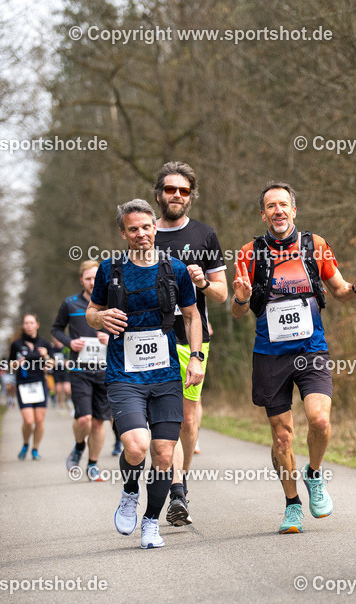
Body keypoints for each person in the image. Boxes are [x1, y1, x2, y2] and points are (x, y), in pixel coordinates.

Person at [232, 181, 356, 534]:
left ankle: (314, 474)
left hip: (311, 349)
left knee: (320, 421)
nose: (278, 210)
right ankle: (292, 504)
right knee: (282, 436)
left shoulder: (316, 246)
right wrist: (239, 299)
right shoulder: (249, 253)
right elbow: (238, 312)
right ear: (263, 213)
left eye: (284, 204)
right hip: (269, 355)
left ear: (294, 210)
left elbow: (340, 291)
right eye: (271, 206)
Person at [86, 198, 205, 549]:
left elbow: (192, 315)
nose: (141, 234)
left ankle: (151, 521)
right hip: (124, 374)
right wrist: (99, 318)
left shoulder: (176, 269)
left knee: (165, 455)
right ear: (123, 232)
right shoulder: (111, 270)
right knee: (136, 448)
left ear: (155, 227)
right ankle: (128, 492)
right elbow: (92, 311)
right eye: (133, 229)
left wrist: (195, 357)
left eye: (146, 227)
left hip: (165, 373)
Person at [152, 161, 228, 526]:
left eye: (183, 191)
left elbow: (222, 295)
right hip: (150, 339)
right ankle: (173, 483)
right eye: (171, 189)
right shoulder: (144, 234)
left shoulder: (204, 235)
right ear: (159, 194)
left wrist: (200, 283)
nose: (177, 196)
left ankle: (180, 486)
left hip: (191, 338)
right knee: (159, 418)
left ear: (191, 197)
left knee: (186, 420)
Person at [52, 259, 112, 482]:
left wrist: (112, 338)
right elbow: (56, 329)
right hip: (79, 369)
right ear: (81, 280)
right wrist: (70, 342)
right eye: (88, 278)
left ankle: (93, 464)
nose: (92, 282)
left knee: (98, 421)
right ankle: (78, 447)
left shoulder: (111, 303)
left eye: (96, 278)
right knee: (84, 418)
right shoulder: (70, 303)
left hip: (105, 369)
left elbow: (128, 330)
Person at [8, 313, 55, 460]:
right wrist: (17, 363)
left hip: (40, 383)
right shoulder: (17, 344)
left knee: (39, 420)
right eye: (26, 323)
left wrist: (46, 356)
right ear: (23, 326)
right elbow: (9, 365)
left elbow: (52, 364)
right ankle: (25, 443)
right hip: (23, 384)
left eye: (31, 323)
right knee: (29, 421)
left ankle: (35, 449)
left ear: (37, 325)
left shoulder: (44, 344)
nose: (29, 326)